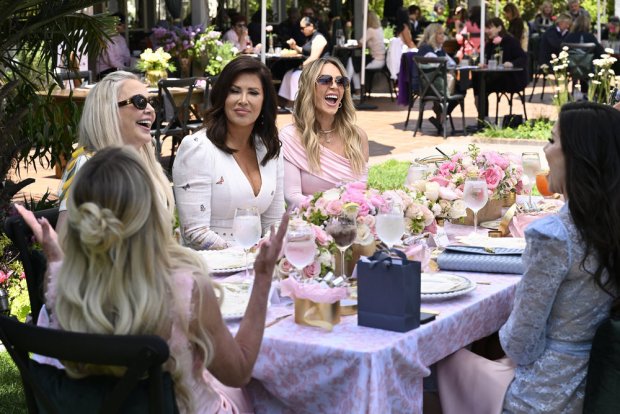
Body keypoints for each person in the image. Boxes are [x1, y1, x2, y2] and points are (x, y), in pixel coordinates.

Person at [16, 146, 289, 414]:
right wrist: (263, 277)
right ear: (152, 211)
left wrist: (57, 261)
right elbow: (239, 372)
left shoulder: (67, 289)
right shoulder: (185, 287)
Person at [437, 101, 620, 413]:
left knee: (441, 362)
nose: (545, 150)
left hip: (542, 394)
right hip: (598, 381)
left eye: (552, 140)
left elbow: (520, 345)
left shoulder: (553, 235)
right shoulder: (610, 223)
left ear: (578, 155)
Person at [173, 57, 284, 250]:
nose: (243, 100)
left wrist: (267, 253)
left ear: (264, 101)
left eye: (253, 93)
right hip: (210, 262)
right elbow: (195, 232)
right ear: (222, 96)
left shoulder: (269, 149)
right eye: (234, 91)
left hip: (258, 259)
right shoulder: (198, 148)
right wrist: (244, 255)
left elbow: (274, 221)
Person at [56, 70, 173, 232]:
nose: (151, 110)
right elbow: (64, 241)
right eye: (140, 102)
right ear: (108, 111)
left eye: (151, 102)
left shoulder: (143, 161)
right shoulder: (88, 166)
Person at [279, 57, 369, 208]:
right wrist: (334, 210)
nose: (334, 86)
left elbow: (362, 192)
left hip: (353, 220)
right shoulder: (290, 136)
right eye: (325, 80)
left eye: (341, 81)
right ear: (309, 88)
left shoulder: (357, 137)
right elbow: (292, 197)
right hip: (307, 221)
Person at [473, 18, 528, 118]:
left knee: (481, 84)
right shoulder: (490, 44)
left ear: (499, 28)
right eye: (486, 28)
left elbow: (523, 58)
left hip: (511, 78)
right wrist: (482, 63)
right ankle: (483, 117)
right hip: (497, 77)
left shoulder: (511, 41)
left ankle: (483, 118)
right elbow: (483, 58)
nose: (487, 31)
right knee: (478, 82)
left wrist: (512, 64)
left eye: (490, 28)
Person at [417, 23, 461, 135]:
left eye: (443, 34)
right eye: (440, 34)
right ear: (433, 35)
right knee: (460, 88)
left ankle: (441, 115)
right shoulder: (426, 50)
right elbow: (441, 65)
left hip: (437, 84)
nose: (443, 36)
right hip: (429, 86)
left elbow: (451, 63)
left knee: (462, 87)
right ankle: (441, 115)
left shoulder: (439, 49)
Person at [278, 16, 329, 109]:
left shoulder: (319, 38)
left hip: (319, 68)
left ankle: (295, 104)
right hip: (310, 67)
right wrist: (294, 46)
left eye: (302, 28)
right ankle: (286, 101)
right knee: (288, 74)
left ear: (311, 26)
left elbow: (314, 58)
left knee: (295, 76)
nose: (301, 30)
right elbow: (305, 50)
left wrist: (302, 66)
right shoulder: (310, 38)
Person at [346, 11, 386, 92]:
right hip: (381, 60)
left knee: (352, 61)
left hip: (375, 60)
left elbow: (360, 44)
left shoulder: (370, 30)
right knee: (355, 65)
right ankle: (356, 91)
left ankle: (345, 86)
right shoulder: (380, 29)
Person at [96, 12, 131, 79]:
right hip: (106, 72)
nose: (122, 26)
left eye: (122, 24)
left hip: (120, 70)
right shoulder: (106, 39)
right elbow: (111, 61)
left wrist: (130, 67)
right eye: (119, 24)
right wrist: (126, 69)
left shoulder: (121, 39)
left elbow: (127, 56)